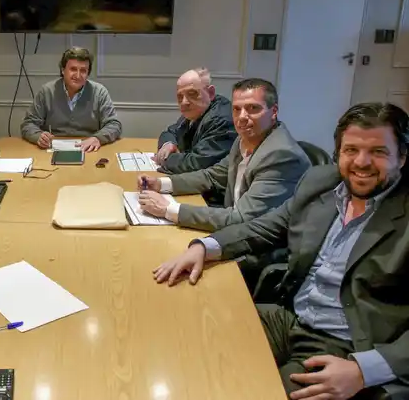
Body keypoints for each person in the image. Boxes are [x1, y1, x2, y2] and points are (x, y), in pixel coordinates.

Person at [153, 102, 409, 399]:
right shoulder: (321, 183)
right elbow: (268, 226)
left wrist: (365, 370)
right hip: (289, 317)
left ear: (402, 157)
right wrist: (205, 247)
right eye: (351, 150)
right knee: (185, 335)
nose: (361, 162)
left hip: (345, 346)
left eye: (378, 152)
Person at [138, 78, 310, 233]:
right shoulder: (245, 139)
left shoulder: (282, 156)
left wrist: (168, 209)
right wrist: (161, 184)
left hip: (258, 243)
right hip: (234, 229)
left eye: (253, 108)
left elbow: (242, 219)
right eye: (236, 109)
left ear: (274, 111)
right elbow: (212, 177)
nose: (242, 117)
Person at [20, 46, 122, 152]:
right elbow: (28, 124)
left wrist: (98, 138)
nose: (78, 75)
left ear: (88, 73)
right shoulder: (46, 92)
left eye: (83, 71)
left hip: (88, 149)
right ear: (63, 70)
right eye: (73, 69)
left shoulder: (100, 92)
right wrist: (38, 136)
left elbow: (114, 125)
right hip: (52, 149)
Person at [154, 67, 237, 175]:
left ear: (210, 93)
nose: (184, 102)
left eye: (192, 93)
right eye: (180, 96)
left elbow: (196, 164)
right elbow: (171, 131)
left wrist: (165, 158)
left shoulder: (221, 120)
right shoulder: (198, 109)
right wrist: (168, 144)